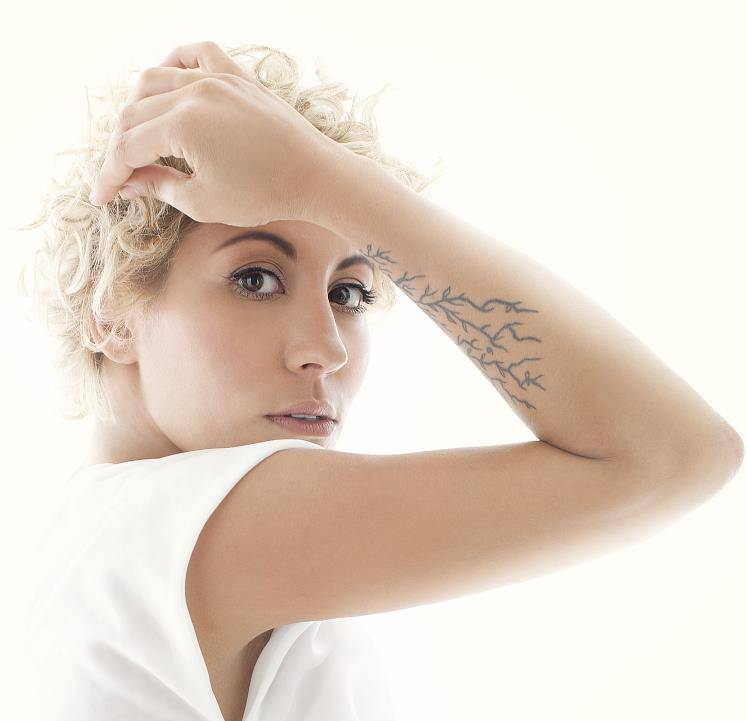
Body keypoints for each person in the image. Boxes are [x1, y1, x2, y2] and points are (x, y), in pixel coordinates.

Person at [18, 40, 743, 721]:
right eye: (255, 278)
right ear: (110, 310)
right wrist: (324, 181)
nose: (326, 348)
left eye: (350, 292)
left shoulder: (83, 547)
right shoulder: (197, 525)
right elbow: (674, 455)